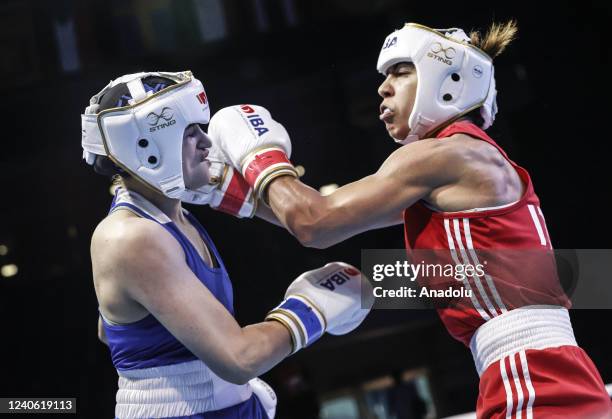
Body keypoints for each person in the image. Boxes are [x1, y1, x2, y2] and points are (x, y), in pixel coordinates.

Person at [208, 22, 612, 418]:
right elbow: (329, 218)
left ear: (448, 80)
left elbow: (313, 223)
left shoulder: (441, 156)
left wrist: (258, 154)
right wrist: (219, 189)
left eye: (401, 72)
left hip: (531, 381)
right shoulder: (468, 166)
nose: (383, 88)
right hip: (550, 375)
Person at [81, 70, 373, 419]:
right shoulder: (131, 236)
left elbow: (110, 331)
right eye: (190, 133)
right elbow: (240, 359)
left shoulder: (172, 219)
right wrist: (311, 310)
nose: (206, 142)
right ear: (146, 148)